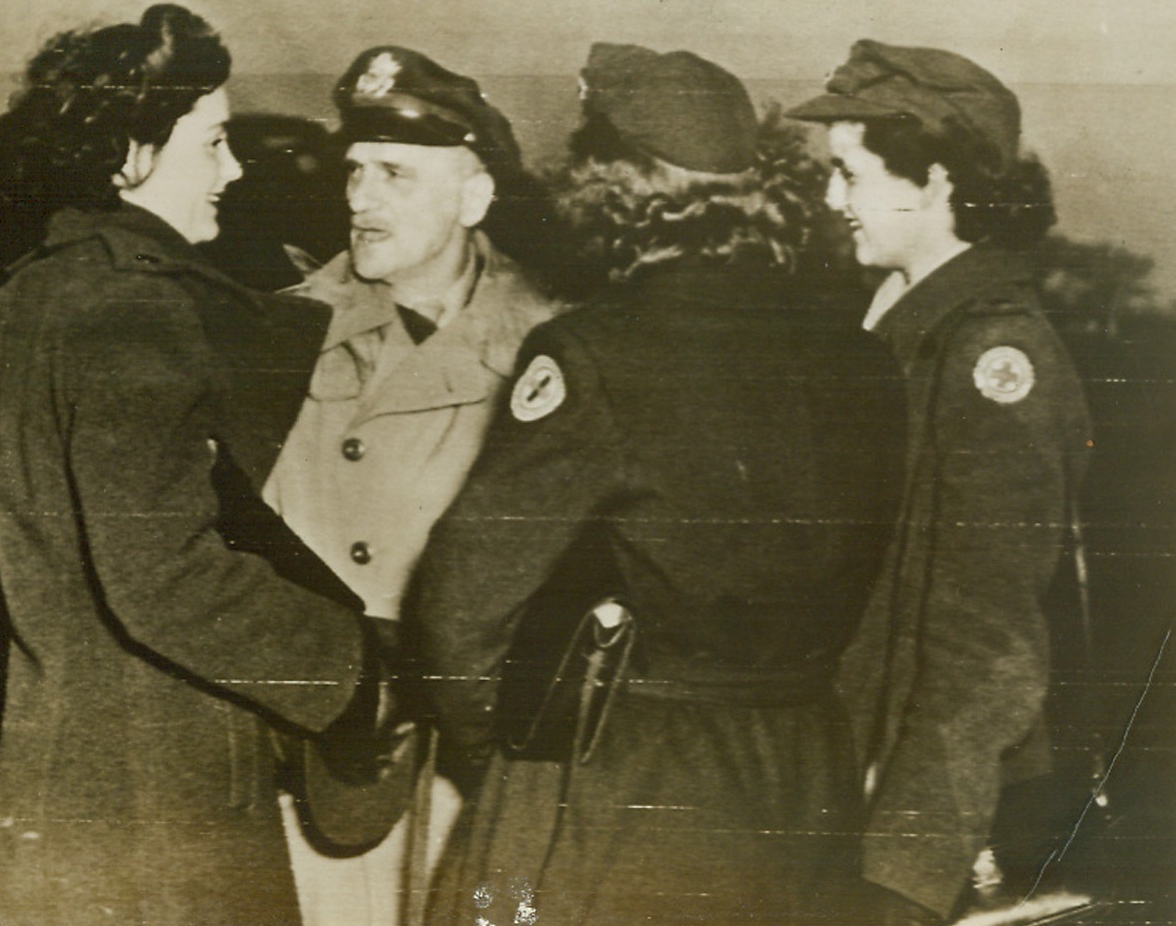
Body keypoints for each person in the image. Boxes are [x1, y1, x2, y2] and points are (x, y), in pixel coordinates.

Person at [406, 43, 906, 926]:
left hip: (621, 784)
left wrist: (513, 752)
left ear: (612, 186)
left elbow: (458, 611)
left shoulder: (595, 353)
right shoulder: (866, 360)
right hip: (803, 787)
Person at [0, 7, 384, 924]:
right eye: (215, 142)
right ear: (129, 152)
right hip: (162, 802)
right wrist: (350, 668)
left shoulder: (28, 293)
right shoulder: (136, 310)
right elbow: (162, 574)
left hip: (60, 776)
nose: (233, 172)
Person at [787, 40, 1094, 923]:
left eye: (847, 173)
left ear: (933, 181)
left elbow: (987, 648)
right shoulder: (901, 324)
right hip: (856, 781)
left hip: (932, 831)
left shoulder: (993, 357)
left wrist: (904, 872)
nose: (828, 198)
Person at [262, 46, 558, 926]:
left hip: (469, 772)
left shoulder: (557, 353)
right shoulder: (280, 327)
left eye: (394, 173)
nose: (359, 198)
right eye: (355, 171)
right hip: (311, 760)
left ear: (475, 196)